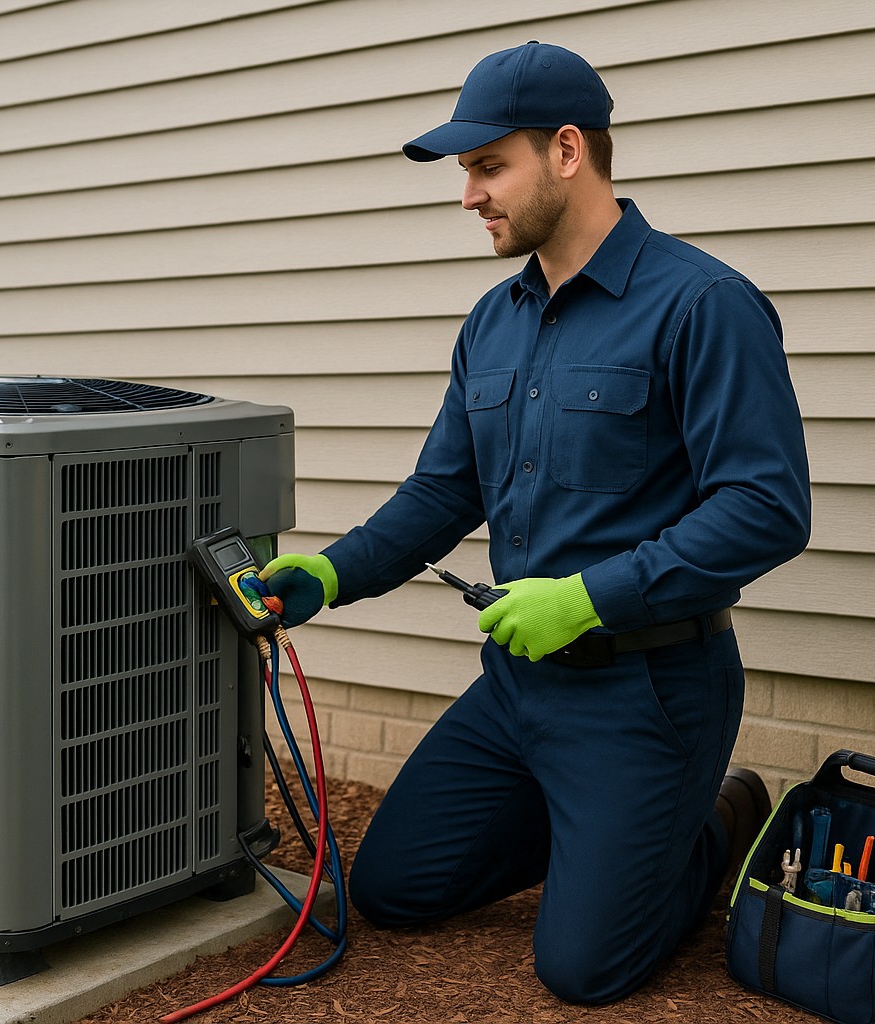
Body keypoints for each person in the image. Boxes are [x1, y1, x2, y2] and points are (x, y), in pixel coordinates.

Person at [260, 41, 810, 1003]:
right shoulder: (494, 320)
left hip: (648, 692)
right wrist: (334, 574)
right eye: (466, 171)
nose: (468, 195)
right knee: (392, 888)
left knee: (585, 968)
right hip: (517, 692)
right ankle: (606, 834)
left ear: (567, 151)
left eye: (485, 165)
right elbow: (445, 491)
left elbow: (766, 509)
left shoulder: (704, 305)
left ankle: (715, 820)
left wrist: (590, 598)